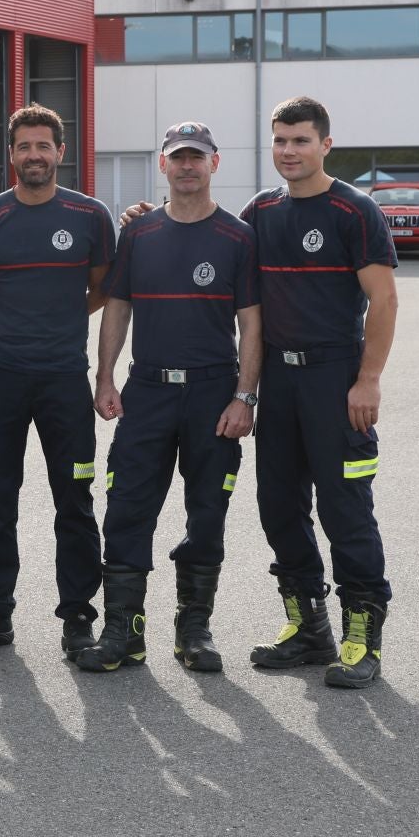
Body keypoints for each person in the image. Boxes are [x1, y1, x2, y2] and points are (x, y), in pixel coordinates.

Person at [78, 121, 258, 674]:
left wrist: (245, 397)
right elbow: (117, 307)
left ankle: (193, 629)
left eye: (196, 157)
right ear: (163, 164)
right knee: (127, 509)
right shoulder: (139, 233)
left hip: (213, 392)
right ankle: (123, 632)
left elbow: (252, 324)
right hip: (148, 391)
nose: (186, 166)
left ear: (213, 164)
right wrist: (105, 377)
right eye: (177, 157)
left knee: (207, 513)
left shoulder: (238, 236)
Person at [241, 96, 397, 688]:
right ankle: (309, 629)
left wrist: (368, 379)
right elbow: (209, 239)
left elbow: (384, 300)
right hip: (278, 379)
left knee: (344, 509)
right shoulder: (261, 210)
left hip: (336, 378)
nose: (289, 151)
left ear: (325, 145)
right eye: (280, 140)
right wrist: (147, 217)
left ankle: (363, 636)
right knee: (279, 506)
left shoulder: (354, 210)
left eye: (301, 140)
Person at [0, 104, 114, 656]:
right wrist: (17, 322)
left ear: (60, 152)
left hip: (64, 379)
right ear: (12, 155)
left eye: (44, 145)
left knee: (75, 500)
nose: (34, 155)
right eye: (24, 146)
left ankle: (78, 618)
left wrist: (59, 318)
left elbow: (102, 288)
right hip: (0, 378)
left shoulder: (90, 216)